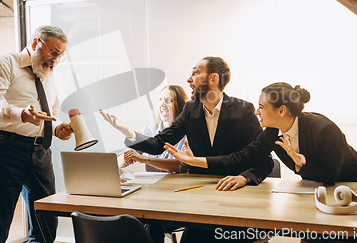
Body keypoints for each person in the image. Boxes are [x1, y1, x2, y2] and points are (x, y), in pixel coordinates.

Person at [105, 56, 273, 243]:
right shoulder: (190, 110)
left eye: (195, 73)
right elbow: (158, 143)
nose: (188, 79)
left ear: (213, 78)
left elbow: (265, 160)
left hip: (234, 199)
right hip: (199, 199)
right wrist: (129, 133)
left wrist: (244, 178)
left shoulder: (243, 110)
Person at [165, 82, 357, 188]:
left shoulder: (324, 130)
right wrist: (196, 161)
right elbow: (242, 157)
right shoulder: (272, 134)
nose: (256, 112)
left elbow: (331, 177)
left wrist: (301, 163)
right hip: (321, 190)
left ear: (281, 111)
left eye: (261, 107)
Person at [0, 25, 74, 243]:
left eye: (61, 56)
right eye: (53, 52)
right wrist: (21, 114)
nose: (55, 60)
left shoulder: (51, 76)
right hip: (3, 149)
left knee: (47, 219)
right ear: (34, 43)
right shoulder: (3, 63)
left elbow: (52, 113)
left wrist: (57, 127)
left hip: (40, 151)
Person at [99, 85, 189, 173]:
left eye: (168, 100)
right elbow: (119, 161)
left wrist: (144, 159)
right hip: (153, 186)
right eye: (160, 100)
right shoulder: (149, 131)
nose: (162, 104)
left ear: (180, 105)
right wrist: (125, 158)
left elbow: (182, 165)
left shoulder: (188, 134)